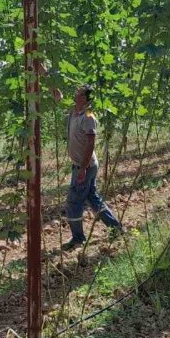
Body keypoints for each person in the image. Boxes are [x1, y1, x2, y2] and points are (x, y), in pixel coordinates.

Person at [61, 85, 123, 251]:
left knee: (74, 202)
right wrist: (44, 71)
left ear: (85, 98)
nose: (75, 94)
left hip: (85, 166)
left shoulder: (88, 115)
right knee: (93, 198)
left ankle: (77, 238)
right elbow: (57, 95)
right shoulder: (74, 111)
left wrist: (82, 168)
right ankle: (115, 227)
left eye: (79, 93)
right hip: (85, 165)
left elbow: (91, 143)